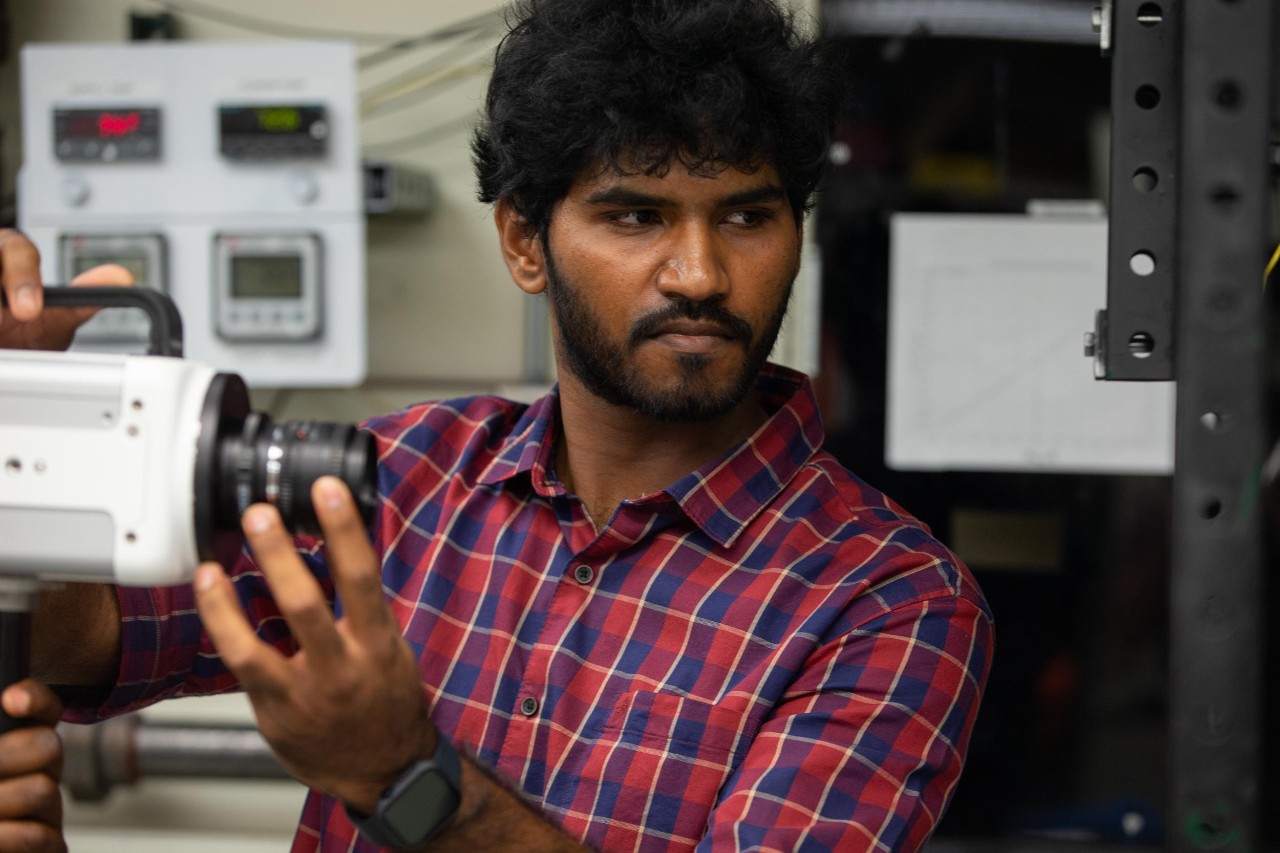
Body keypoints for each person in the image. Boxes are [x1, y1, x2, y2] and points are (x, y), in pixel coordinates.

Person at [0, 0, 993, 849]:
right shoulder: (404, 477)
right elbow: (87, 640)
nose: (697, 273)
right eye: (635, 215)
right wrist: (22, 417)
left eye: (744, 216)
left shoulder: (888, 605)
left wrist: (407, 780)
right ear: (525, 240)